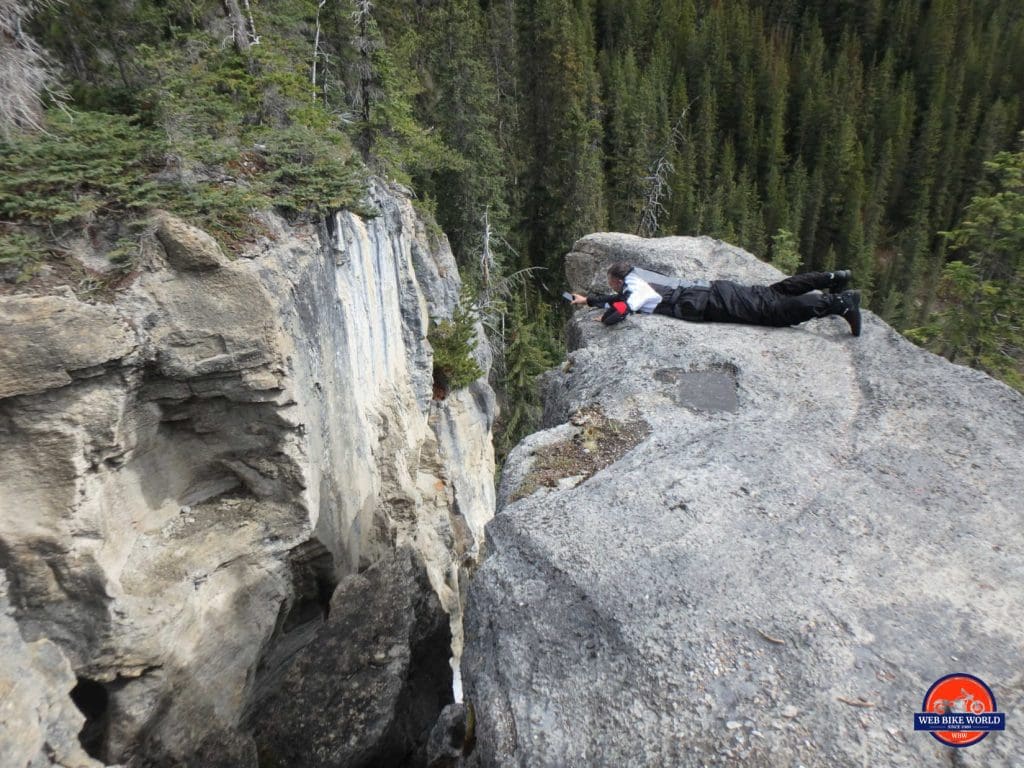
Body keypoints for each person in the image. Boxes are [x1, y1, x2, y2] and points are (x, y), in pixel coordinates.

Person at [569, 261, 862, 336]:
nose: (615, 289)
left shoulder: (637, 291)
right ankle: (833, 278)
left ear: (620, 280)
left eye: (613, 285)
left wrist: (603, 319)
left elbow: (621, 309)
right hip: (715, 292)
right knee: (774, 292)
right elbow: (618, 298)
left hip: (714, 303)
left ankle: (839, 303)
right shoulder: (639, 278)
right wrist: (589, 301)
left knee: (775, 310)